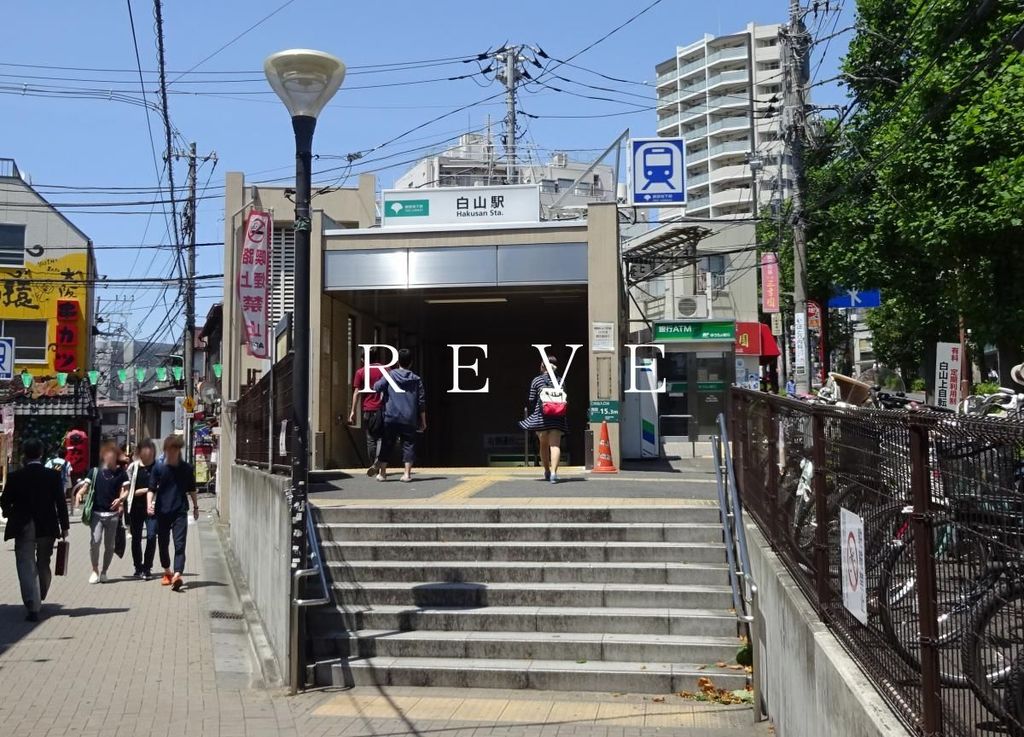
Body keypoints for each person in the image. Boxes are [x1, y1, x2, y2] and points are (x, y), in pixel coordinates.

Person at [1, 438, 69, 621]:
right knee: (44, 562)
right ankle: (41, 591)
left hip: (23, 525)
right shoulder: (52, 476)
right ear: (41, 454)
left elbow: (4, 501)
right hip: (47, 525)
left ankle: (33, 603)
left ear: (24, 455)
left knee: (25, 564)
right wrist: (65, 526)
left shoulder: (16, 476)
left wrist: (10, 514)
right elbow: (61, 503)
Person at [147, 434, 199, 592]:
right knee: (163, 544)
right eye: (168, 450)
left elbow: (192, 490)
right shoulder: (158, 467)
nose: (171, 453)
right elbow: (151, 489)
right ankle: (167, 571)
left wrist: (196, 507)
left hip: (180, 511)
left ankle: (177, 574)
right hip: (162, 511)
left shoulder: (187, 468)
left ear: (178, 450)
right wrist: (149, 504)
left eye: (174, 449)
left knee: (180, 544)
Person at [74, 442, 128, 584]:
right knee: (95, 542)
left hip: (113, 515)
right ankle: (94, 570)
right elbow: (85, 486)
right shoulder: (95, 471)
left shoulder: (121, 473)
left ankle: (104, 571)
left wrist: (120, 499)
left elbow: (126, 490)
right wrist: (79, 494)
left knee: (110, 546)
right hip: (97, 514)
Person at [373, 348, 426, 483]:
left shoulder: (390, 375)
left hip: (391, 416)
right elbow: (421, 401)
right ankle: (407, 474)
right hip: (409, 418)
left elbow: (376, 387)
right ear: (411, 363)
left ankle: (382, 473)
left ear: (397, 362)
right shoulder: (416, 379)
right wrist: (423, 421)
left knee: (387, 443)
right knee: (409, 444)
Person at [519, 355, 568, 484]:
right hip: (557, 418)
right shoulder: (560, 380)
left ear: (542, 366)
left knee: (543, 445)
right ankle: (554, 473)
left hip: (541, 418)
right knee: (555, 446)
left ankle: (546, 470)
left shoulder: (537, 380)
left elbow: (531, 399)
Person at [119, 439, 157, 580]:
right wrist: (147, 490)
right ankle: (138, 567)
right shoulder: (133, 468)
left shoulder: (158, 467)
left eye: (149, 449)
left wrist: (149, 492)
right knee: (136, 538)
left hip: (153, 508)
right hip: (135, 507)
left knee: (152, 536)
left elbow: (162, 488)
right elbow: (129, 490)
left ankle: (147, 567)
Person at [348, 347, 386, 476]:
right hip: (382, 409)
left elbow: (356, 392)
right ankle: (379, 464)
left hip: (368, 409)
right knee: (381, 438)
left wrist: (352, 411)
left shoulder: (360, 372)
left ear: (364, 359)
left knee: (371, 439)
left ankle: (374, 464)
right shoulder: (385, 370)